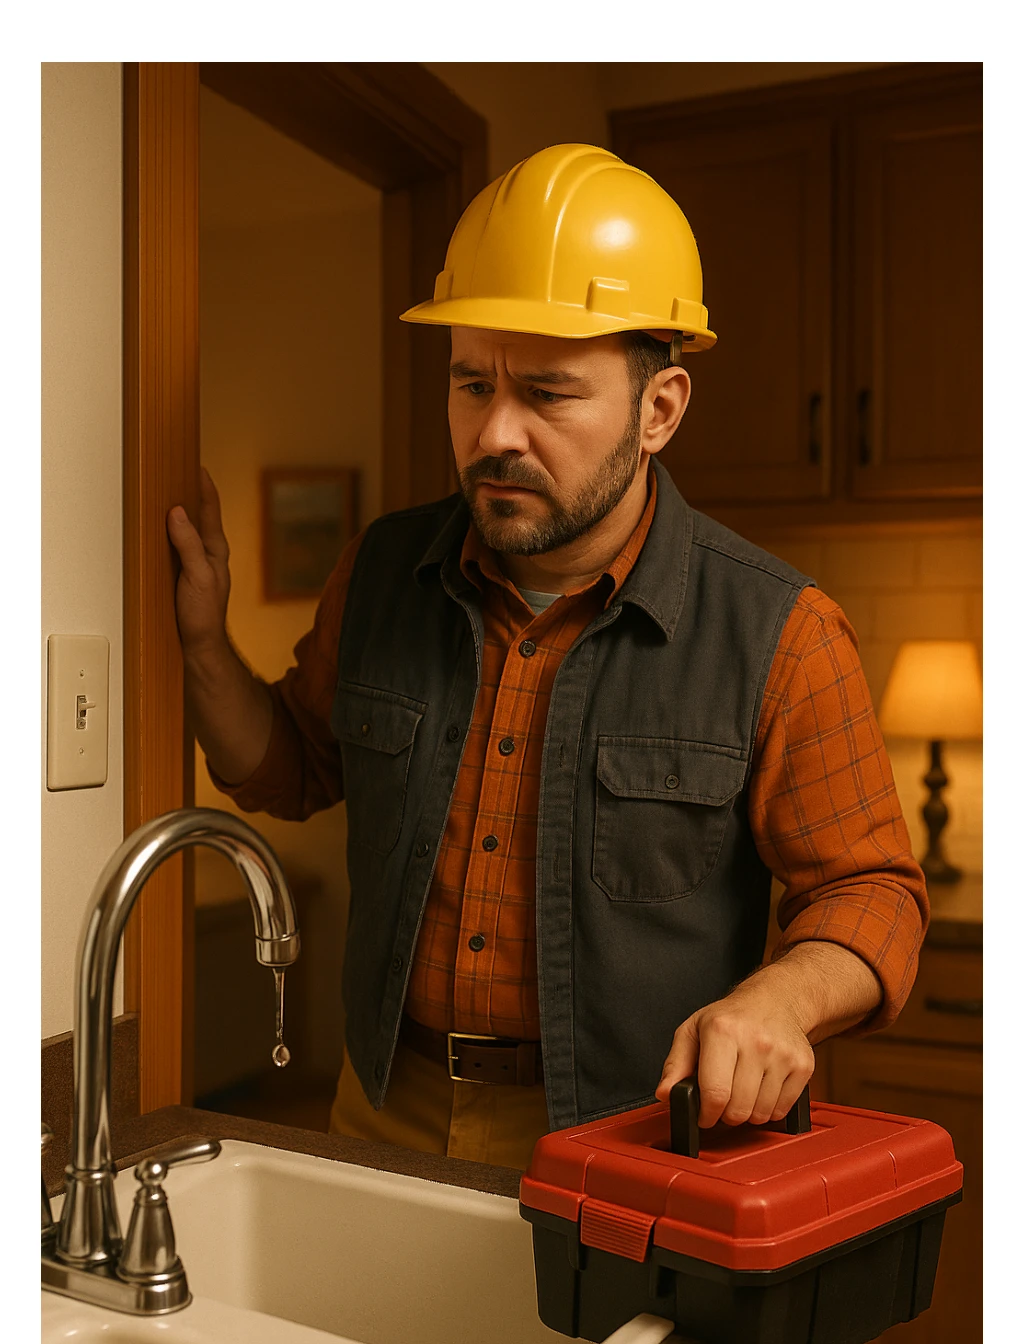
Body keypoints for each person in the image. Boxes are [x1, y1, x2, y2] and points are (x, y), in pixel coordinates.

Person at [168, 144, 927, 1172]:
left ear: (658, 410)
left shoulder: (780, 630)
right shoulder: (384, 569)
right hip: (382, 1104)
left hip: (631, 1137)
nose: (495, 432)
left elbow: (872, 890)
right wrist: (204, 643)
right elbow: (296, 763)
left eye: (549, 393)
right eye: (471, 382)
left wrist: (778, 999)